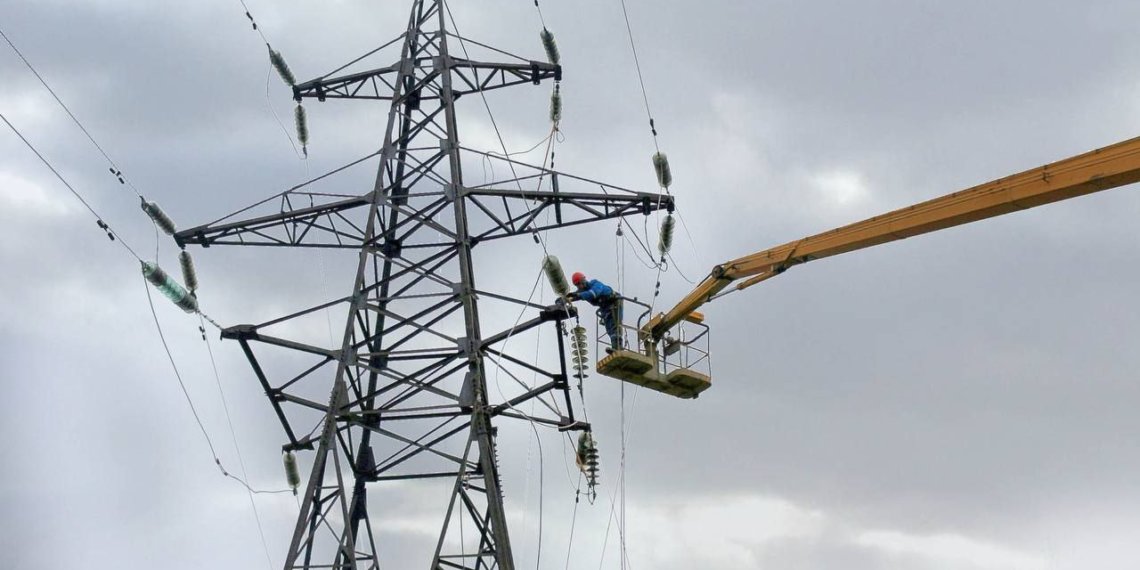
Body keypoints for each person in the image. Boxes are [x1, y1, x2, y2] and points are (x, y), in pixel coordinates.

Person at [565, 271, 624, 351]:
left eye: (580, 283)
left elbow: (593, 293)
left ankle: (618, 348)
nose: (580, 286)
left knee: (615, 325)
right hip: (605, 307)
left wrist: (577, 295)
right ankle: (615, 348)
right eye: (577, 285)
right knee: (609, 328)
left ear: (584, 280)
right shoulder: (583, 291)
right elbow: (576, 295)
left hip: (614, 302)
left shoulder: (595, 284)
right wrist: (565, 298)